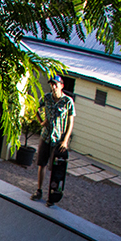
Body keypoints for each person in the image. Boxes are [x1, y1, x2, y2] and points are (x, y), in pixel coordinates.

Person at [30, 74, 76, 202]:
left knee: (56, 168)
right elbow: (35, 108)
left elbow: (70, 123)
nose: (53, 87)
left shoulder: (67, 102)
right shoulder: (47, 98)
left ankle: (52, 194)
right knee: (41, 164)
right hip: (46, 136)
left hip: (58, 140)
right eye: (52, 85)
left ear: (61, 86)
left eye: (55, 84)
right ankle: (39, 190)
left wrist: (65, 141)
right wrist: (41, 121)